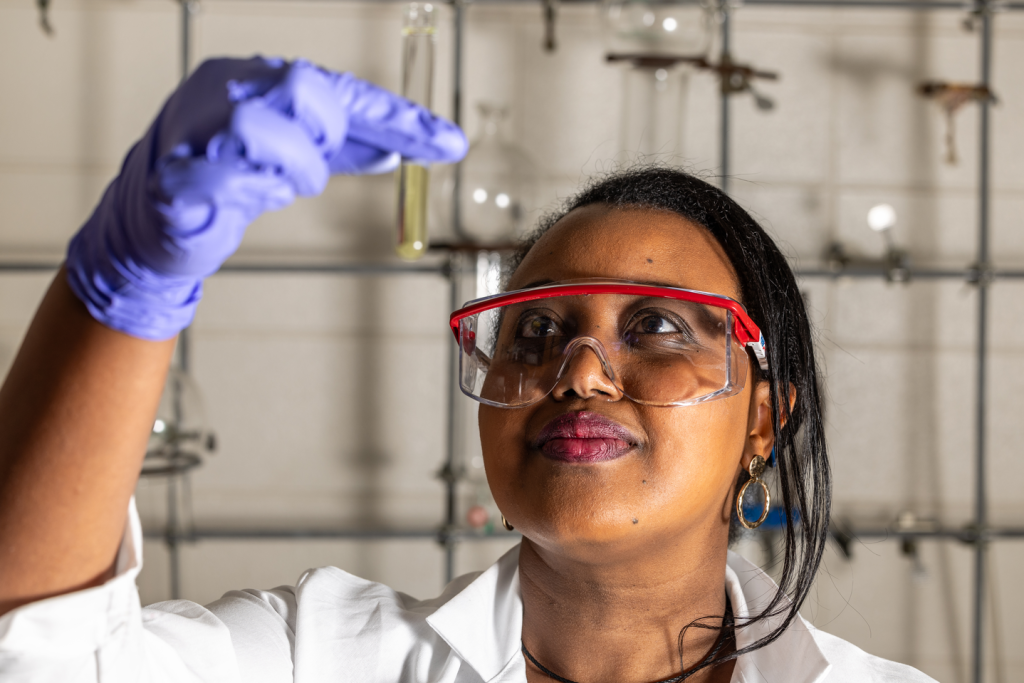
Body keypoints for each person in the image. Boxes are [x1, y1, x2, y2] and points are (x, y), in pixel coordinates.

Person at [0, 57, 934, 683]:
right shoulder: (318, 653)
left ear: (764, 421)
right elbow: (37, 655)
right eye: (532, 332)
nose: (579, 371)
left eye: (654, 326)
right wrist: (120, 285)